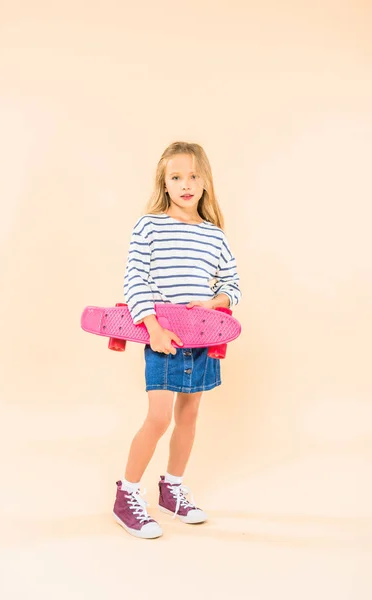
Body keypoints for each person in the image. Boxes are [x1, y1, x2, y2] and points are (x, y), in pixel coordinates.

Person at [113, 141, 242, 538]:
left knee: (189, 415)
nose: (186, 184)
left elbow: (232, 286)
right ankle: (127, 494)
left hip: (202, 336)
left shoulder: (215, 235)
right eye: (176, 177)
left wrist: (211, 302)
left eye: (193, 175)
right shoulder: (149, 225)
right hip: (161, 333)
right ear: (164, 183)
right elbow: (135, 279)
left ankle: (171, 488)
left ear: (205, 181)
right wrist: (153, 329)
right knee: (159, 417)